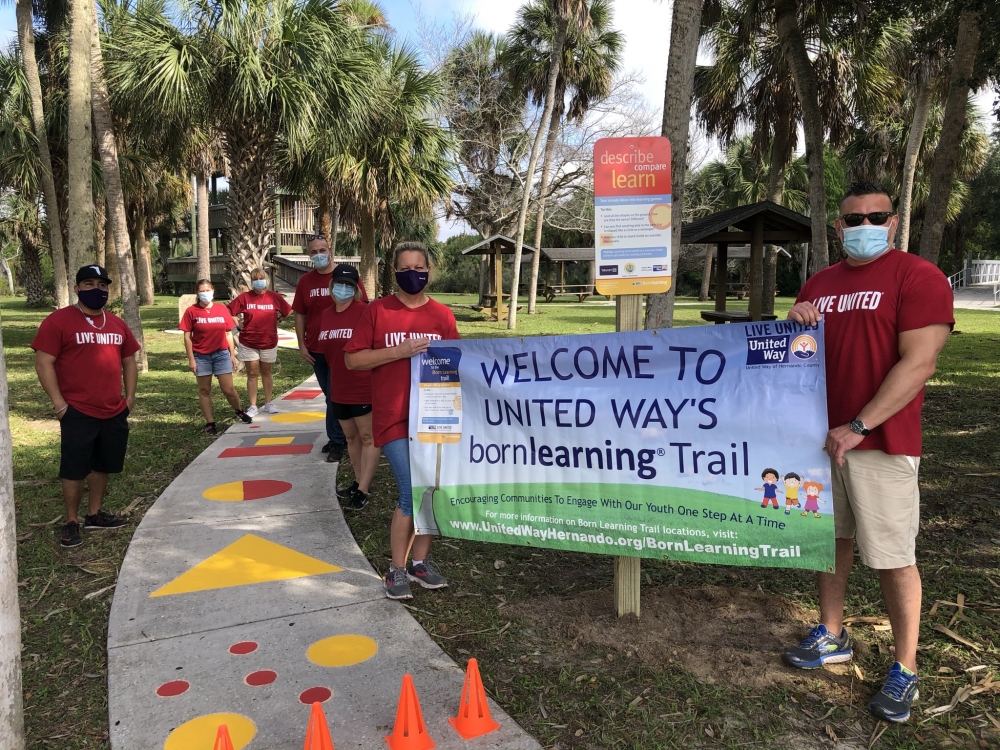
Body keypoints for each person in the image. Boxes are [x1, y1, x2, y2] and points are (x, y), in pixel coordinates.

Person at [783, 182, 953, 723]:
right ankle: (832, 634)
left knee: (892, 556)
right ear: (838, 227)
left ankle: (905, 670)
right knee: (830, 539)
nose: (863, 226)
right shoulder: (821, 283)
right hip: (821, 440)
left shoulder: (917, 277)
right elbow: (797, 356)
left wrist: (859, 425)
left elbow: (919, 363)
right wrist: (797, 322)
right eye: (852, 219)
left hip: (881, 442)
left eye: (874, 217)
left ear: (894, 221)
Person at [345, 242, 459, 600]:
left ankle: (419, 563)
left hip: (436, 419)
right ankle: (396, 568)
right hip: (394, 418)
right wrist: (399, 351)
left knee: (431, 491)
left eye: (419, 267)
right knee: (411, 491)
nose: (413, 273)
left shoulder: (442, 315)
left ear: (429, 270)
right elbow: (353, 360)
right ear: (394, 271)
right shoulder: (377, 311)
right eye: (405, 267)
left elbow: (457, 366)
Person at [32, 265, 137, 547]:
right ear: (76, 288)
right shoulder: (58, 321)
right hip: (77, 409)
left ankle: (94, 515)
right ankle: (71, 521)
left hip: (113, 408)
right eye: (89, 284)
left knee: (102, 464)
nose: (96, 290)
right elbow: (44, 362)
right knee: (74, 468)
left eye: (102, 285)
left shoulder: (116, 323)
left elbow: (129, 359)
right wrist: (59, 405)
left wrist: (129, 397)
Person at [292, 234, 368, 463]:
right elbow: (300, 314)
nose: (318, 255)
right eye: (313, 252)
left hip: (345, 349)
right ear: (308, 255)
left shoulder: (345, 276)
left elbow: (362, 307)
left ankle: (338, 441)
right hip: (318, 349)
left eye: (322, 250)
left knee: (336, 396)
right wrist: (302, 345)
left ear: (330, 250)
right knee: (331, 395)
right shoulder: (306, 282)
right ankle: (343, 436)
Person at [315, 265, 378, 510]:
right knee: (351, 438)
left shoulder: (366, 311)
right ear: (331, 287)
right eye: (339, 284)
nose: (343, 289)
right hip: (338, 386)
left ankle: (363, 489)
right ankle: (357, 480)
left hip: (363, 385)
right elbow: (327, 354)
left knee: (367, 437)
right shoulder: (327, 314)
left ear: (356, 288)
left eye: (349, 285)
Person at [180, 279, 253, 434]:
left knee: (228, 389)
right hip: (201, 356)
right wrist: (191, 359)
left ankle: (239, 410)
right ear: (197, 293)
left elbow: (228, 333)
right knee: (204, 390)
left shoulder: (221, 309)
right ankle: (210, 422)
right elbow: (187, 336)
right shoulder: (191, 311)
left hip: (221, 354)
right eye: (202, 291)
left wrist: (232, 354)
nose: (205, 293)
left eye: (208, 290)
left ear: (212, 290)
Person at [228, 268, 292, 416]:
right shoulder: (245, 298)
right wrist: (238, 324)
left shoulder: (274, 297)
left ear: (266, 280)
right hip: (249, 341)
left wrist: (279, 320)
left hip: (268, 341)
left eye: (261, 278)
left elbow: (288, 310)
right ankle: (253, 406)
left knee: (267, 372)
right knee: (252, 373)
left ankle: (268, 403)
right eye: (255, 279)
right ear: (251, 281)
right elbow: (230, 310)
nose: (258, 281)